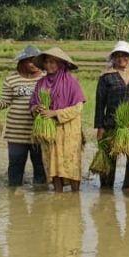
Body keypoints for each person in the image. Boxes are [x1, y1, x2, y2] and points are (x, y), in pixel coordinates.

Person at [30, 47, 86, 193]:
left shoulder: (71, 81)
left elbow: (78, 107)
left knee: (71, 162)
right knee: (52, 162)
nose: (49, 65)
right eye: (47, 62)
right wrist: (37, 108)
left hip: (69, 130)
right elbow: (33, 104)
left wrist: (55, 113)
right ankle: (58, 195)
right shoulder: (41, 83)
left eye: (53, 62)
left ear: (61, 63)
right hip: (49, 130)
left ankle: (75, 196)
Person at [0, 44, 46, 187]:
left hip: (39, 132)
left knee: (40, 167)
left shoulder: (46, 79)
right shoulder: (12, 79)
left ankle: (40, 197)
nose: (34, 64)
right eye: (31, 61)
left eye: (37, 61)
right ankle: (14, 198)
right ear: (22, 62)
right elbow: (5, 101)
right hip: (16, 132)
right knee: (15, 168)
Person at [94, 41, 129, 191]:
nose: (121, 59)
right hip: (110, 124)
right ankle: (106, 192)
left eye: (125, 55)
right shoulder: (106, 77)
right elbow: (100, 104)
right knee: (107, 159)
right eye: (117, 56)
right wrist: (100, 127)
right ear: (113, 58)